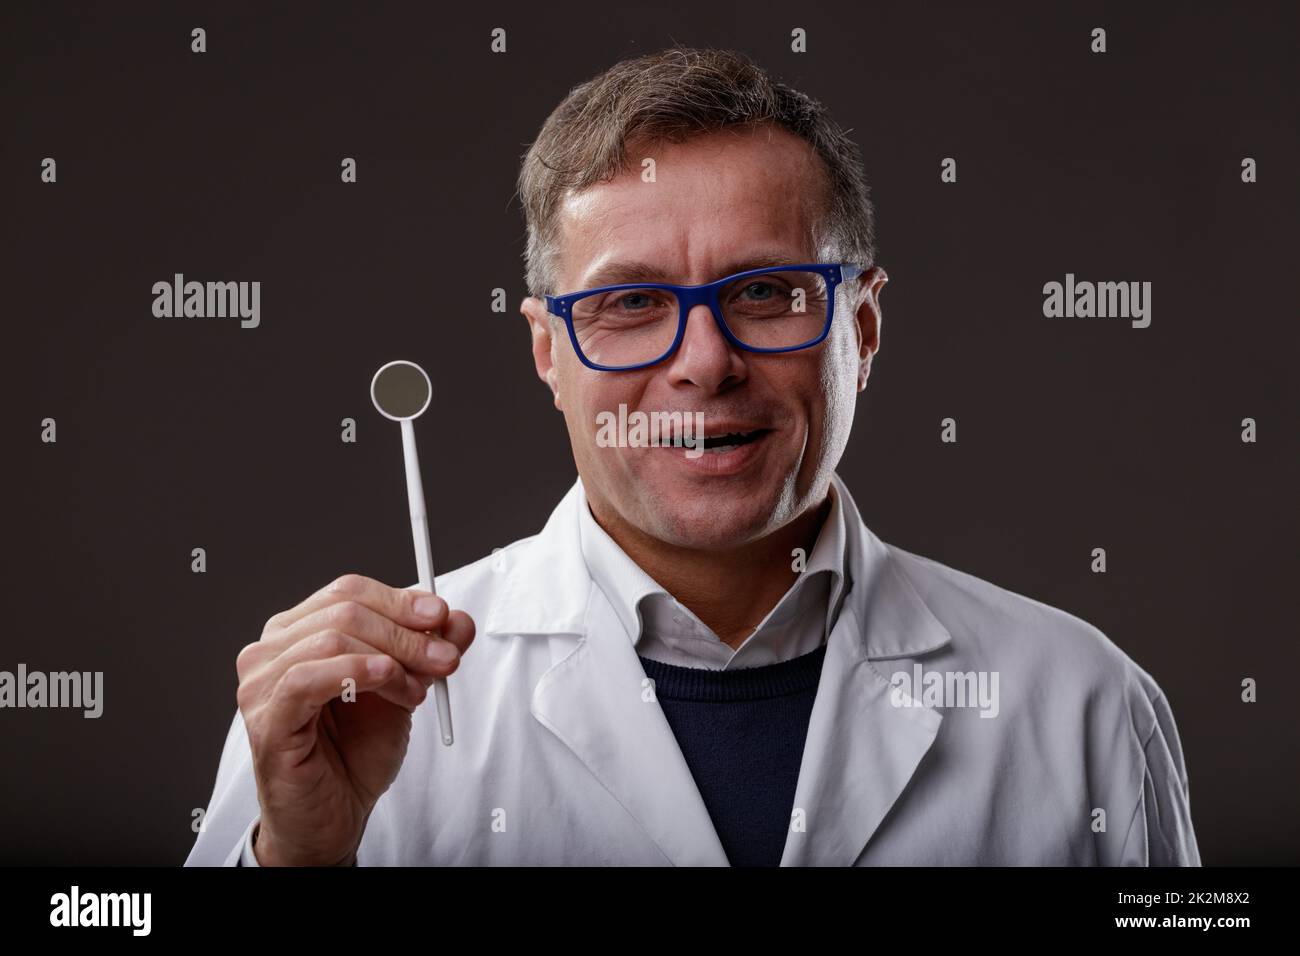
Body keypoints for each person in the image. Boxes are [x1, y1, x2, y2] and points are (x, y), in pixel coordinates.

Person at [186, 47, 1200, 867]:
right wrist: (301, 860)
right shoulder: (344, 716)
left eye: (763, 292)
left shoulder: (1081, 703)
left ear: (863, 325)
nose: (703, 363)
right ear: (548, 351)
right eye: (631, 302)